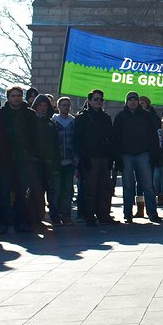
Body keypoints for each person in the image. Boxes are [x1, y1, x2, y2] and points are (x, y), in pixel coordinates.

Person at [0, 86, 42, 233]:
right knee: (4, 192)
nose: (16, 98)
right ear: (8, 98)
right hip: (5, 160)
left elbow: (33, 136)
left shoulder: (30, 114)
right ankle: (2, 223)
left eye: (19, 96)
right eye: (13, 96)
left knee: (21, 193)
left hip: (24, 159)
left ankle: (20, 222)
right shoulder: (0, 114)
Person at [112, 91, 160, 223]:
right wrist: (117, 157)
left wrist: (154, 154)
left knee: (148, 185)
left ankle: (152, 213)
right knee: (128, 186)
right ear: (126, 102)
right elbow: (115, 138)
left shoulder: (146, 116)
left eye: (135, 99)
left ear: (138, 101)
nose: (133, 102)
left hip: (143, 153)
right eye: (130, 99)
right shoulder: (120, 117)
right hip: (126, 154)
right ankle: (127, 214)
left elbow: (153, 136)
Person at [73, 89, 116, 226]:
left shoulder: (106, 117)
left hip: (104, 157)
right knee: (89, 189)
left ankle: (104, 215)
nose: (99, 102)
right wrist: (83, 158)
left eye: (101, 99)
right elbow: (78, 140)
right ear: (89, 101)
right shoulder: (81, 118)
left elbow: (111, 138)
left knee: (105, 188)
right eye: (96, 99)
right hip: (90, 157)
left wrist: (111, 157)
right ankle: (89, 216)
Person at [32, 95, 60, 227]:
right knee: (37, 192)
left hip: (50, 162)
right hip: (36, 162)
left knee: (53, 192)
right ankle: (37, 218)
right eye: (40, 106)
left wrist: (55, 163)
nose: (42, 109)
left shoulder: (51, 124)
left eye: (45, 106)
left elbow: (56, 145)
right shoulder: (30, 122)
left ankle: (55, 217)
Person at [51, 97, 77, 225]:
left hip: (70, 161)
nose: (66, 107)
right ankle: (55, 216)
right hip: (56, 161)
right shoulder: (53, 121)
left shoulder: (73, 122)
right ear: (58, 106)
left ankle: (66, 216)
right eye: (63, 105)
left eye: (68, 105)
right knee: (56, 190)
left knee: (67, 190)